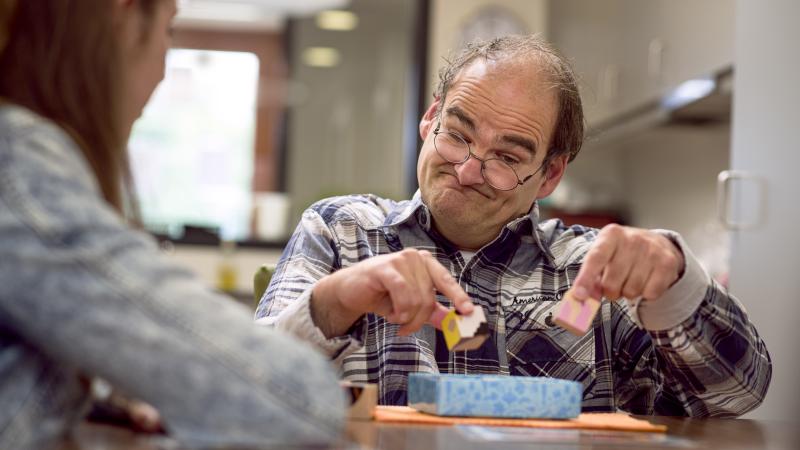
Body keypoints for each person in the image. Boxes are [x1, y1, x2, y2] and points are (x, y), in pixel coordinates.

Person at [256, 35, 772, 417]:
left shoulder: (593, 274)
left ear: (550, 173)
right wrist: (335, 301)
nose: (466, 169)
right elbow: (245, 378)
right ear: (430, 118)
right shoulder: (341, 231)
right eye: (456, 135)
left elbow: (736, 393)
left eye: (505, 156)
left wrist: (676, 282)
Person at [0, 1, 345, 448]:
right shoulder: (19, 167)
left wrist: (96, 398)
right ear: (121, 17)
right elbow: (293, 399)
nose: (164, 70)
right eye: (169, 29)